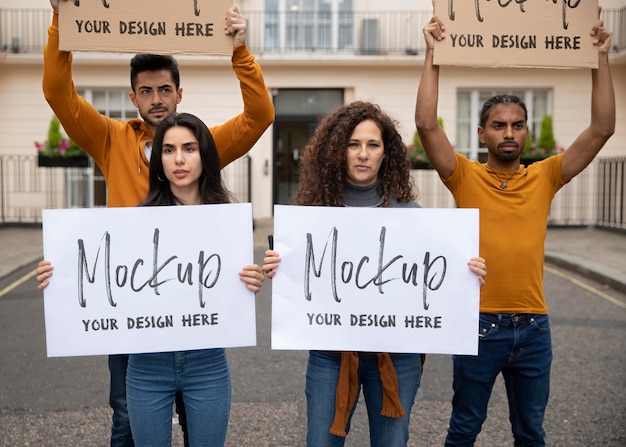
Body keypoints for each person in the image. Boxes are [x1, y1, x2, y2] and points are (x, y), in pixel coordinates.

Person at [42, 1, 274, 446]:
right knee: (127, 420)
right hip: (134, 312)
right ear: (133, 97)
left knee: (198, 420)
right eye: (146, 92)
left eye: (164, 90)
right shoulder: (110, 139)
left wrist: (240, 51)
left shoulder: (197, 146)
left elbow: (259, 116)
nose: (156, 100)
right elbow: (58, 93)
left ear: (179, 93)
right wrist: (60, 22)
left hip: (195, 312)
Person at [414, 12, 615, 447]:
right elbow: (427, 125)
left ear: (526, 133)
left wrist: (600, 58)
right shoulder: (462, 175)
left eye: (517, 124)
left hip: (533, 330)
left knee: (530, 433)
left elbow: (602, 129)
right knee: (463, 429)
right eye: (499, 125)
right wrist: (432, 53)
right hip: (478, 326)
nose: (509, 132)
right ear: (482, 133)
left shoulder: (546, 175)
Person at [262, 101, 487, 447]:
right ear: (337, 151)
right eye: (353, 144)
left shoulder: (410, 214)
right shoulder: (313, 214)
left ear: (387, 153)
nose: (362, 154)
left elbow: (434, 275)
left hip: (396, 356)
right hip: (331, 355)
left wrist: (466, 273)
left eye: (372, 145)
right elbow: (304, 282)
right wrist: (283, 269)